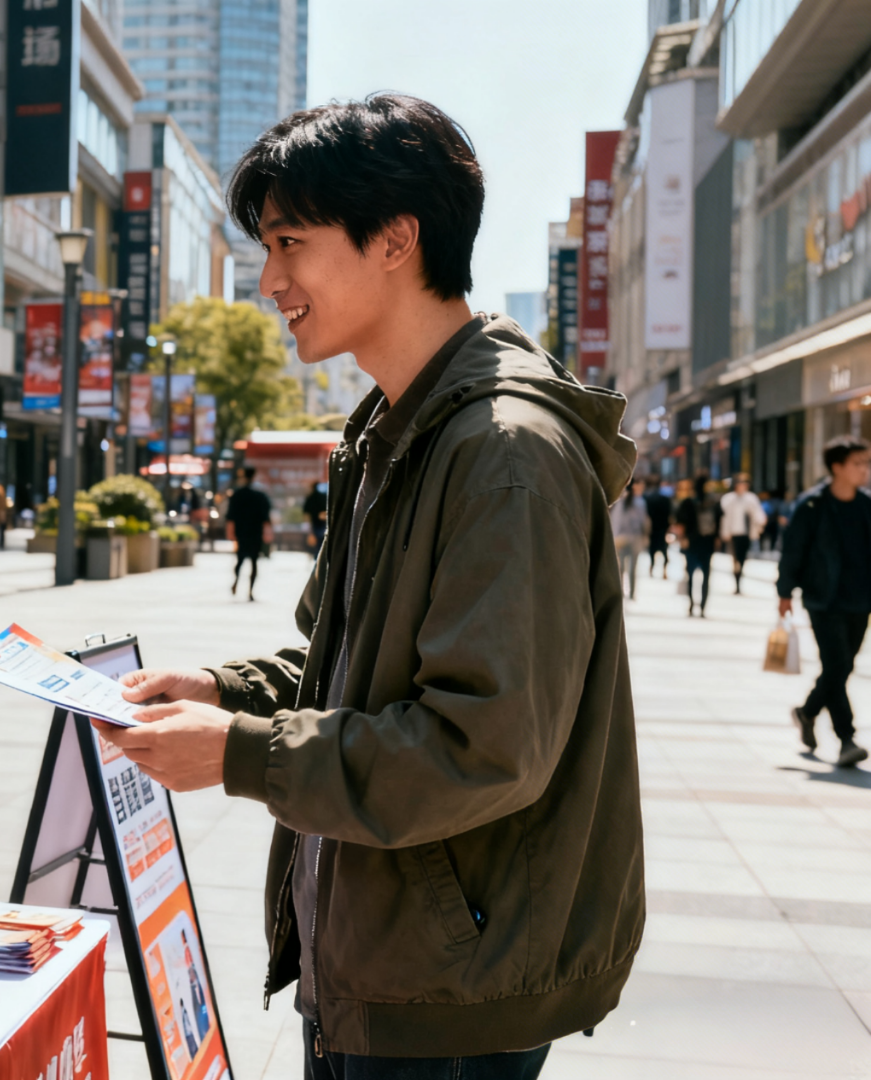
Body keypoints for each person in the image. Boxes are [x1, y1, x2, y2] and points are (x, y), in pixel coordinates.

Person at [98, 94, 642, 1077]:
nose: (269, 281)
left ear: (395, 239)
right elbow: (344, 660)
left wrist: (241, 754)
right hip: (380, 946)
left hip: (450, 986)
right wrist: (222, 692)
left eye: (290, 243)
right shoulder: (391, 427)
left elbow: (481, 743)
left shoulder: (501, 453)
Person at [778, 435, 871, 769]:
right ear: (837, 467)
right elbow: (793, 551)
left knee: (842, 667)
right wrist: (785, 592)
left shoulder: (866, 505)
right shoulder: (812, 505)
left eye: (866, 463)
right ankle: (847, 739)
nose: (865, 470)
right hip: (823, 600)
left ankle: (807, 712)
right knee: (837, 665)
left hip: (861, 601)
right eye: (858, 464)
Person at [674, 475, 718, 617]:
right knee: (706, 575)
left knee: (691, 574)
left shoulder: (688, 502)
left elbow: (680, 522)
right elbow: (719, 523)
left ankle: (692, 604)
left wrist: (682, 539)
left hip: (691, 542)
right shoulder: (712, 502)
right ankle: (703, 606)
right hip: (707, 543)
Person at [226, 467, 272, 601]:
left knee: (240, 560)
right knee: (254, 562)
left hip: (241, 532)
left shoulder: (237, 494)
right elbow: (266, 517)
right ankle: (250, 591)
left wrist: (230, 532)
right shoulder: (260, 495)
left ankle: (236, 581)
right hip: (255, 532)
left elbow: (230, 516)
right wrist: (268, 533)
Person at [719, 473, 766, 594]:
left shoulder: (751, 498)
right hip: (733, 533)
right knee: (735, 559)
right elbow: (725, 517)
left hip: (746, 533)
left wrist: (761, 523)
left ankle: (739, 579)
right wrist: (725, 532)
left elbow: (757, 514)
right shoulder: (728, 499)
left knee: (743, 557)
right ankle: (737, 582)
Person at [612, 477, 649, 601]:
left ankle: (621, 591)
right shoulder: (640, 502)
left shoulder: (620, 502)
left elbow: (616, 521)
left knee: (621, 567)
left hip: (621, 538)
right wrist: (645, 537)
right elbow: (643, 522)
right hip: (635, 537)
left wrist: (615, 536)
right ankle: (632, 592)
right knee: (633, 567)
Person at [645, 480, 673, 579]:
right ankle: (664, 571)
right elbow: (670, 514)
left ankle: (652, 568)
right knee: (664, 550)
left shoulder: (648, 498)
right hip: (663, 529)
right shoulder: (665, 499)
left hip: (652, 529)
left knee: (652, 550)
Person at [301, 481, 328, 550]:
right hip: (323, 522)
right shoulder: (324, 496)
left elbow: (306, 513)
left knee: (316, 543)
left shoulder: (310, 497)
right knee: (323, 541)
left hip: (314, 523)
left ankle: (317, 556)